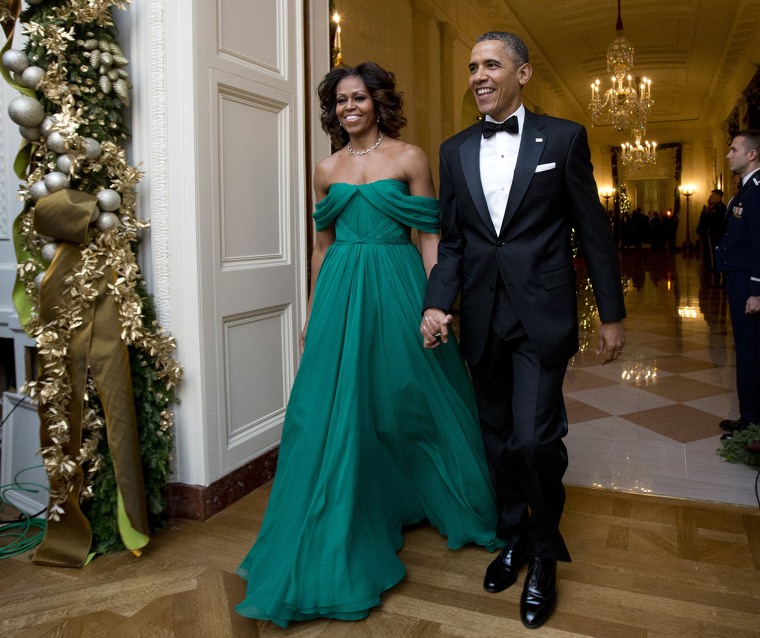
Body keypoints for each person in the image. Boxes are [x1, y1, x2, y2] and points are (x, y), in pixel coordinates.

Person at [235, 61, 501, 627]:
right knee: (336, 409)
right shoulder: (325, 168)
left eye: (358, 98)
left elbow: (431, 235)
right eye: (340, 101)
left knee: (413, 394)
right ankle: (341, 515)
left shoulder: (409, 158)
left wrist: (437, 302)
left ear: (377, 103)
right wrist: (313, 313)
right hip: (339, 295)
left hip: (399, 283)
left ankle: (434, 496)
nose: (348, 107)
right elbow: (321, 248)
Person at [420, 32, 626, 629]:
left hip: (542, 314)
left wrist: (611, 314)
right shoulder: (455, 149)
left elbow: (592, 230)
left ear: (524, 73)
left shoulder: (562, 138)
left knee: (536, 439)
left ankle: (543, 555)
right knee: (499, 440)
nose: (478, 75)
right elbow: (453, 241)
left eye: (491, 64)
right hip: (480, 316)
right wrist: (438, 304)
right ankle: (512, 536)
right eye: (472, 66)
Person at [715, 130, 760, 437]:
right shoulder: (745, 189)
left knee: (750, 351)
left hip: (748, 283)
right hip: (739, 279)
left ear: (751, 154)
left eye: (733, 149)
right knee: (745, 350)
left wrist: (757, 289)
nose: (729, 154)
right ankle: (750, 419)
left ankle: (752, 423)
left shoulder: (757, 190)